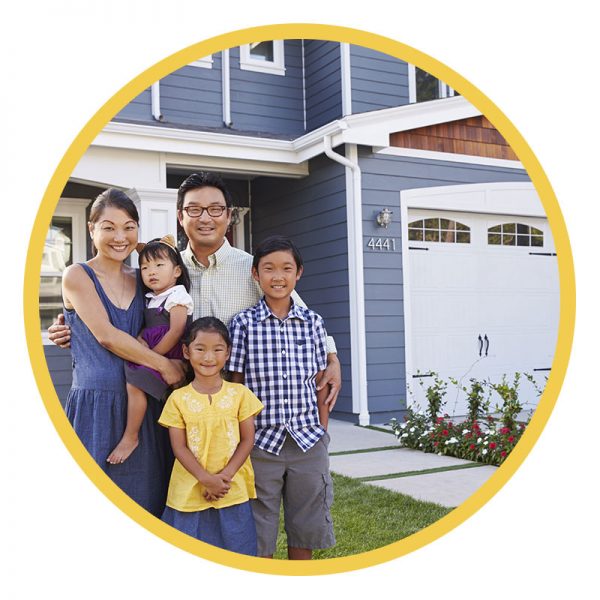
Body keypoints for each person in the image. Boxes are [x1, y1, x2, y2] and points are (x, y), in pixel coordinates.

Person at [49, 171, 342, 408]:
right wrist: (72, 326)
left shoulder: (254, 269)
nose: (205, 218)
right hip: (175, 398)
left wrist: (332, 358)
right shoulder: (160, 270)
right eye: (194, 210)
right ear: (180, 217)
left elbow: (300, 316)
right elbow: (120, 311)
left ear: (229, 216)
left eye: (215, 209)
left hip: (239, 400)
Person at [61, 188, 183, 516]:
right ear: (91, 229)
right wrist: (163, 365)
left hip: (142, 407)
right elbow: (107, 337)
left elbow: (177, 284)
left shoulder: (144, 278)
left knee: (147, 506)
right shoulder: (77, 275)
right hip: (96, 408)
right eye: (109, 227)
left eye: (129, 227)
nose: (120, 236)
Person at [228, 235, 335, 560]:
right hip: (261, 444)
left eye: (286, 268)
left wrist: (322, 435)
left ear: (298, 273)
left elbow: (320, 384)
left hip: (308, 442)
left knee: (306, 525)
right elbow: (237, 386)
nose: (278, 276)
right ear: (255, 275)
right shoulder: (243, 324)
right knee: (260, 530)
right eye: (269, 269)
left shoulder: (313, 323)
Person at [159, 317, 263, 555]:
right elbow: (179, 448)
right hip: (189, 491)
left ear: (228, 353)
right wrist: (206, 479)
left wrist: (223, 478)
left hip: (231, 489)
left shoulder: (240, 394)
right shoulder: (178, 399)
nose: (209, 357)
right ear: (186, 351)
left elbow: (248, 440)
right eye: (200, 349)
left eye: (218, 349)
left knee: (237, 553)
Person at [107, 235, 193, 465]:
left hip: (170, 354)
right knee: (134, 384)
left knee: (136, 384)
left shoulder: (178, 296)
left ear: (176, 271)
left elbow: (176, 331)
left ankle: (131, 435)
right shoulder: (149, 298)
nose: (150, 271)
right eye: (144, 267)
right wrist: (140, 341)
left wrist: (153, 356)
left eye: (158, 265)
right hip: (154, 353)